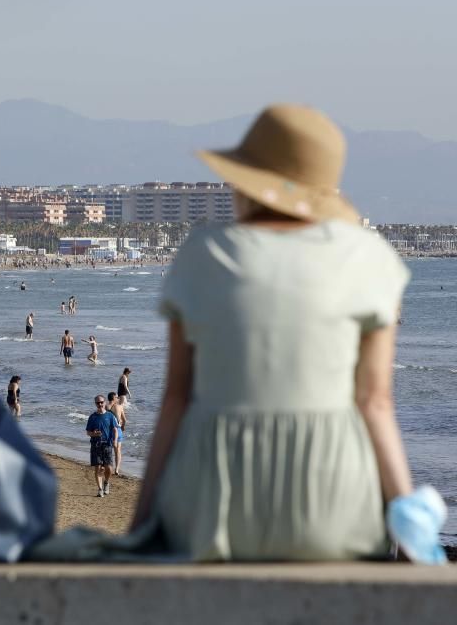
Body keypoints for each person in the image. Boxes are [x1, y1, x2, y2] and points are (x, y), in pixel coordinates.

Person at [130, 104, 415, 561]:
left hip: (210, 509)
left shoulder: (203, 254)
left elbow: (176, 400)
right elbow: (375, 404)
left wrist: (140, 525)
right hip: (334, 507)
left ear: (247, 183)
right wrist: (409, 524)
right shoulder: (368, 257)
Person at [85, 395, 116, 498]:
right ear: (95, 404)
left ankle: (106, 482)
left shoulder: (110, 416)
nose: (100, 404)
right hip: (96, 445)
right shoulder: (92, 417)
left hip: (107, 444)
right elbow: (88, 432)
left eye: (101, 402)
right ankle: (100, 489)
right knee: (98, 467)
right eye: (98, 403)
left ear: (105, 402)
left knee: (109, 468)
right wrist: (94, 434)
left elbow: (115, 429)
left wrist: (115, 441)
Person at [107, 392, 127, 476]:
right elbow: (124, 420)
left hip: (109, 430)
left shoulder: (106, 406)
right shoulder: (120, 406)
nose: (118, 398)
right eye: (117, 397)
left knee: (109, 449)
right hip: (118, 429)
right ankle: (117, 469)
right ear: (114, 398)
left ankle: (108, 466)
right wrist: (123, 427)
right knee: (118, 450)